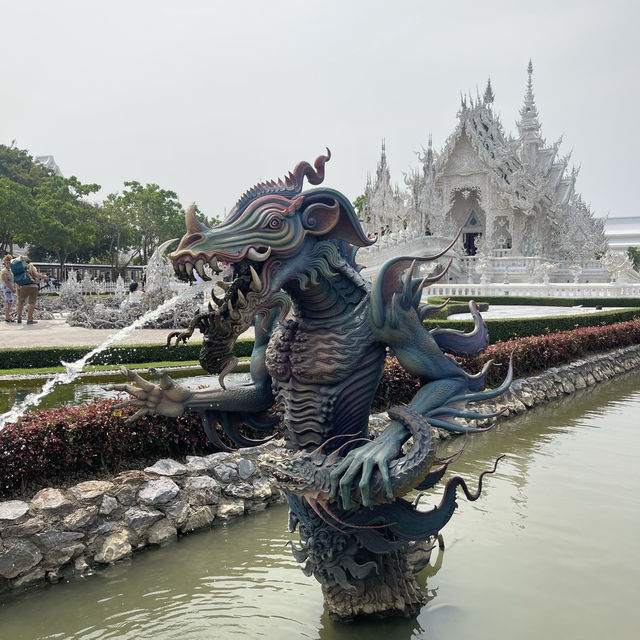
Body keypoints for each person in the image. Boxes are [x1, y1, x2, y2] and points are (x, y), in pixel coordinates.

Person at [14, 256, 48, 324]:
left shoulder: (20, 268)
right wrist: (44, 277)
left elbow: (16, 277)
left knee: (21, 301)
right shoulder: (31, 266)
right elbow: (36, 275)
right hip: (33, 286)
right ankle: (29, 320)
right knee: (31, 302)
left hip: (23, 286)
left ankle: (19, 317)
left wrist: (18, 285)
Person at [1, 254, 17, 322]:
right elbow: (6, 281)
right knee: (7, 302)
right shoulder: (4, 271)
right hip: (6, 287)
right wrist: (12, 288)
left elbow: (13, 280)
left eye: (9, 263)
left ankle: (8, 317)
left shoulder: (11, 271)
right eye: (7, 263)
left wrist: (14, 287)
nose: (8, 264)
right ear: (5, 262)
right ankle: (7, 318)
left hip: (10, 287)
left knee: (10, 303)